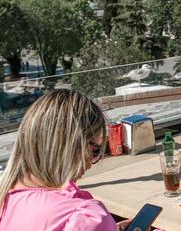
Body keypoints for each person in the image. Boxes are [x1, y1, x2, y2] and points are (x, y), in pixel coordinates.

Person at [0, 89, 130, 231]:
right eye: (96, 150)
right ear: (69, 145)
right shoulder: (82, 217)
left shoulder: (6, 200)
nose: (91, 164)